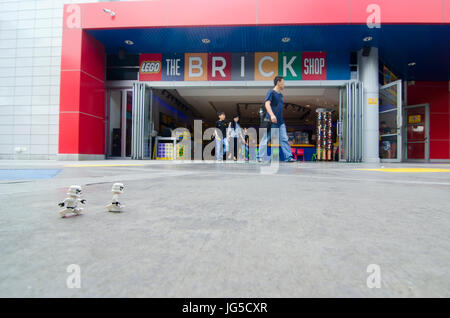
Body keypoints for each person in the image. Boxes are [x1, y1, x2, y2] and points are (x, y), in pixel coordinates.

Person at [258, 76, 295, 163]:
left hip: (280, 122)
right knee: (266, 139)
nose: (284, 84)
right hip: (272, 121)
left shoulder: (281, 95)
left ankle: (288, 157)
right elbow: (267, 104)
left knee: (284, 139)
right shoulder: (271, 92)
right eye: (283, 82)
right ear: (278, 82)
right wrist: (272, 115)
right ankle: (260, 157)